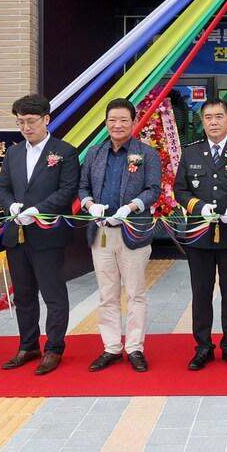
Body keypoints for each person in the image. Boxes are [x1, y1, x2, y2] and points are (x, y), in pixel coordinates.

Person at [173, 98, 227, 370]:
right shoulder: (191, 153)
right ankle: (202, 347)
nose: (214, 121)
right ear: (202, 122)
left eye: (219, 116)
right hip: (199, 234)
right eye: (208, 117)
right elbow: (181, 189)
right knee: (200, 293)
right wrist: (198, 206)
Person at [0, 94, 81, 375]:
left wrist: (37, 210)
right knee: (23, 294)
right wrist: (11, 206)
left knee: (53, 294)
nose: (26, 128)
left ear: (46, 119)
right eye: (20, 122)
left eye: (31, 121)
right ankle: (28, 344)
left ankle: (54, 347)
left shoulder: (65, 152)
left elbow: (67, 191)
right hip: (16, 233)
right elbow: (3, 187)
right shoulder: (13, 152)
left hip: (47, 234)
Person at [78, 98, 162, 373]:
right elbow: (82, 187)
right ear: (106, 122)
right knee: (107, 293)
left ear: (134, 122)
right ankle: (111, 347)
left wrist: (130, 207)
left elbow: (153, 189)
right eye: (112, 120)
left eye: (123, 120)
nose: (117, 125)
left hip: (133, 231)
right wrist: (90, 204)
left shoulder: (146, 153)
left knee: (136, 292)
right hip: (101, 232)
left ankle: (135, 347)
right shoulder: (94, 153)